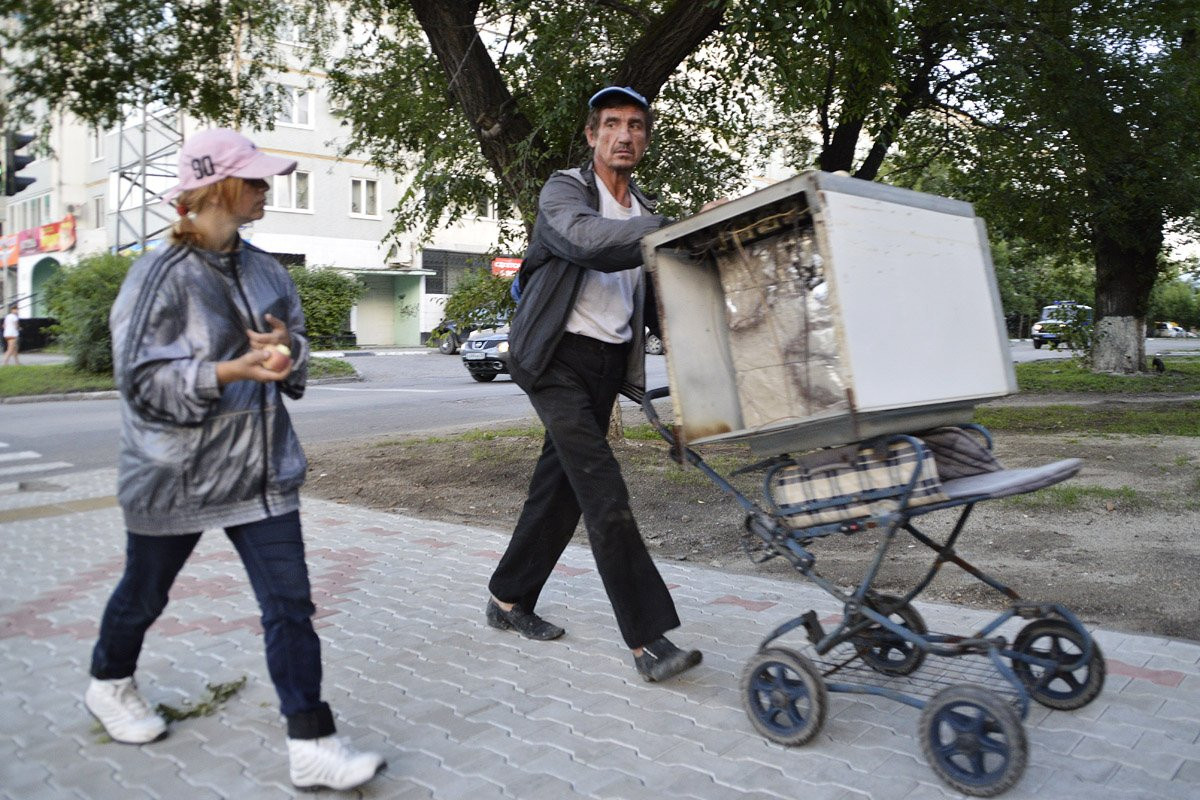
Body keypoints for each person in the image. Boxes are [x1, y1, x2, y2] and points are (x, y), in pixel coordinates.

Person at [85, 128, 384, 792]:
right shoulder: (157, 275)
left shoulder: (267, 269)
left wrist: (287, 352)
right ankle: (108, 682)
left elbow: (295, 347)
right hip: (174, 474)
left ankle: (312, 741)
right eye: (254, 179)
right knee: (144, 593)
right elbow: (139, 382)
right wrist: (227, 370)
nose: (266, 188)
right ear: (218, 188)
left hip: (260, 469)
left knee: (290, 605)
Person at [486, 86, 703, 683]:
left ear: (646, 138)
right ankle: (648, 640)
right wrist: (671, 229)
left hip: (604, 366)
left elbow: (654, 303)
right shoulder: (565, 192)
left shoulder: (645, 209)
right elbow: (586, 243)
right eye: (611, 124)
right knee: (604, 491)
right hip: (554, 358)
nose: (623, 135)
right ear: (592, 136)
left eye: (635, 125)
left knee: (559, 490)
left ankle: (507, 597)